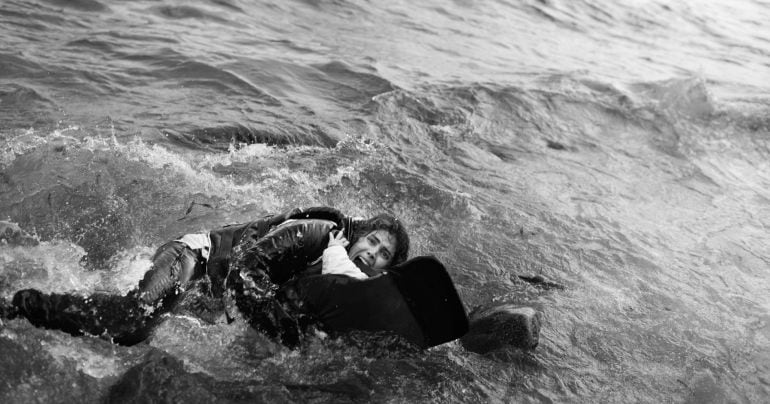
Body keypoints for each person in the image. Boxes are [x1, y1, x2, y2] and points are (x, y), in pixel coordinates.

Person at [5, 207, 468, 348]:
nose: (373, 253)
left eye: (384, 255)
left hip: (208, 299)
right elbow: (247, 274)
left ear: (387, 270)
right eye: (371, 242)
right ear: (355, 236)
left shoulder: (341, 286)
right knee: (133, 324)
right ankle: (21, 304)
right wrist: (288, 336)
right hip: (195, 259)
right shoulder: (317, 234)